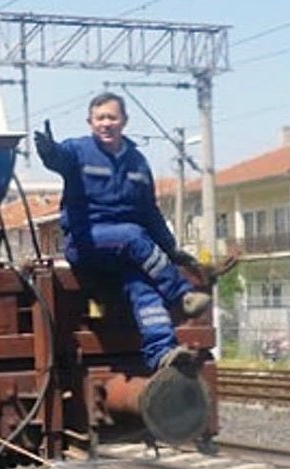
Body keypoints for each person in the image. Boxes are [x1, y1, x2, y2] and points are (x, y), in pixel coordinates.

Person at [34, 92, 210, 372]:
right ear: (90, 122)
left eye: (112, 117)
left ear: (124, 121)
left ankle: (162, 352)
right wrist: (49, 151)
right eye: (100, 118)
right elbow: (59, 159)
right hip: (87, 241)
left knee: (144, 288)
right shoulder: (77, 151)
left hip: (127, 250)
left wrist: (170, 247)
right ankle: (181, 295)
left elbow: (149, 212)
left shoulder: (137, 163)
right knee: (132, 235)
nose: (106, 123)